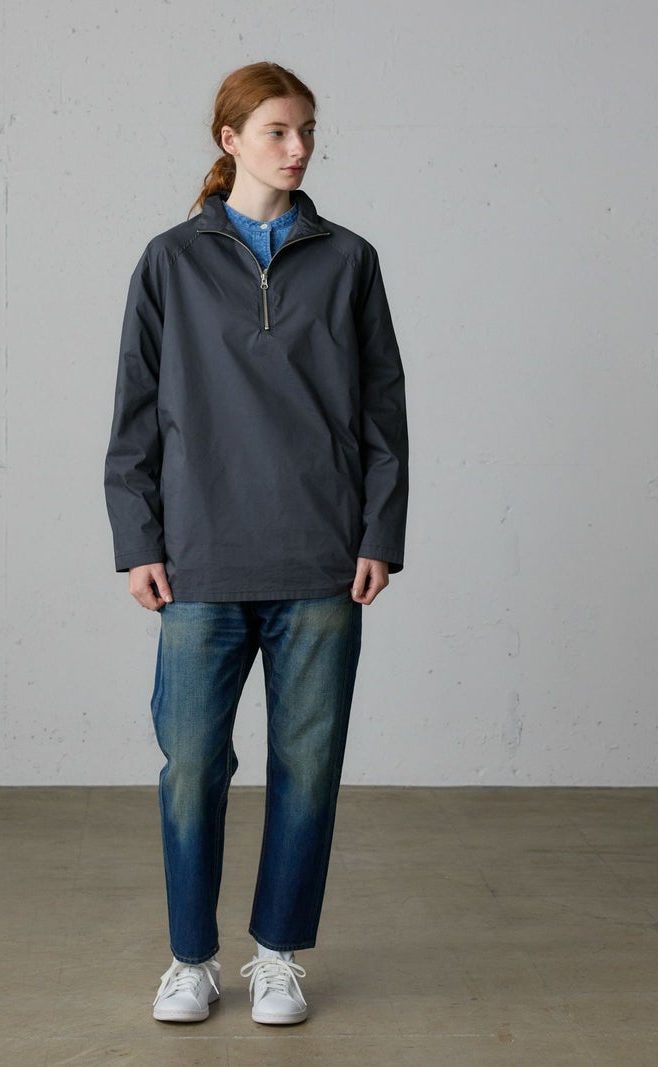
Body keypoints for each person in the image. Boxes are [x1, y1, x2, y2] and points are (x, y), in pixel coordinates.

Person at [104, 60, 408, 1025]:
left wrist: (379, 532)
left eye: (308, 129)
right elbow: (136, 412)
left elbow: (383, 412)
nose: (299, 147)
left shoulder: (350, 260)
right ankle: (190, 958)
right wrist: (138, 538)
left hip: (321, 558)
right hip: (199, 558)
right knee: (191, 768)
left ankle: (277, 954)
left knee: (307, 770)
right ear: (229, 140)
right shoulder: (170, 261)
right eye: (279, 129)